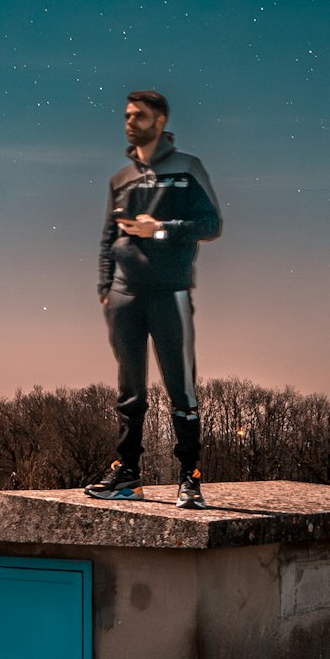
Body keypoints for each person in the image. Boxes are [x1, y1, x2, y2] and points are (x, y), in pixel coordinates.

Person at [86, 90, 222, 508]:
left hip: (169, 292)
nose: (129, 121)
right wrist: (106, 289)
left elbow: (210, 223)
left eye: (138, 115)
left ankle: (190, 478)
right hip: (125, 296)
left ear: (159, 121)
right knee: (129, 391)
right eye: (126, 115)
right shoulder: (120, 179)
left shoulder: (187, 169)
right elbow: (109, 238)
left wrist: (159, 229)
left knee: (180, 387)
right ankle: (127, 476)